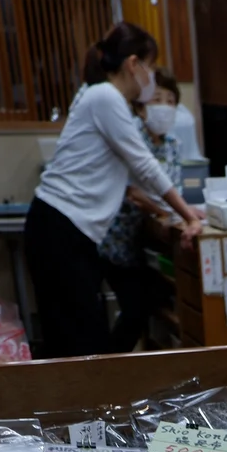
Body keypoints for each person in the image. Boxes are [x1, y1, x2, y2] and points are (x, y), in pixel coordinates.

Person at [24, 23, 201, 359]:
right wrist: (189, 215)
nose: (151, 76)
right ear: (133, 64)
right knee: (79, 342)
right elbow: (144, 165)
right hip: (59, 228)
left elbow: (139, 177)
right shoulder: (105, 97)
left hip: (67, 231)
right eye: (149, 65)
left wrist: (180, 210)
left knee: (77, 338)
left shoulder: (102, 98)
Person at [99, 68, 184, 353]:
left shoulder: (173, 144)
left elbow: (175, 189)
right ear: (141, 106)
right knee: (135, 309)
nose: (165, 107)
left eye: (171, 101)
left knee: (152, 303)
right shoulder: (133, 133)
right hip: (117, 239)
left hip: (149, 239)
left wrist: (173, 210)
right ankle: (110, 364)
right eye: (157, 99)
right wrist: (166, 209)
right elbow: (132, 191)